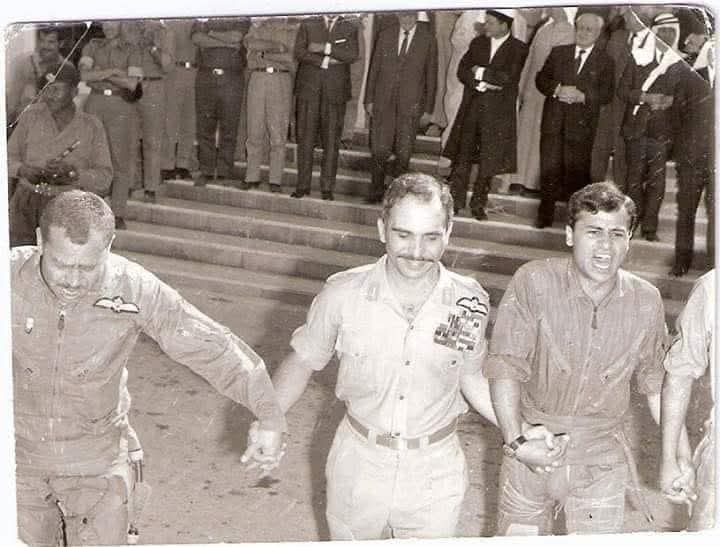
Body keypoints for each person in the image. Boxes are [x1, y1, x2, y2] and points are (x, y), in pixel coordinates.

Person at [271, 173, 556, 539]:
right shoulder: (342, 294)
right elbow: (303, 360)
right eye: (403, 235)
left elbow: (471, 376)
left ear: (448, 233)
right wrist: (269, 419)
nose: (416, 252)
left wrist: (520, 433)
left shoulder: (468, 302)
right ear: (382, 229)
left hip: (435, 471)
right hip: (358, 462)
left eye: (431, 237)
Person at [11, 190, 287, 546]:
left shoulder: (133, 289)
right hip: (18, 459)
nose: (74, 281)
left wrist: (270, 415)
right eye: (62, 265)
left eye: (88, 267)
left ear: (109, 247)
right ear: (39, 241)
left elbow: (213, 347)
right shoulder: (9, 276)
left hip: (96, 458)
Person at [485, 182, 668, 535]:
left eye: (617, 234)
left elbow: (656, 386)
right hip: (534, 450)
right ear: (570, 235)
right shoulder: (534, 281)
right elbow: (505, 366)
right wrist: (517, 441)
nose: (605, 246)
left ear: (629, 239)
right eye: (593, 232)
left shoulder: (646, 300)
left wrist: (679, 454)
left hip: (601, 461)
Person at [7, 62, 112, 247]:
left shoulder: (91, 126)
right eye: (46, 89)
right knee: (19, 257)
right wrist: (23, 170)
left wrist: (73, 174)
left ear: (74, 92)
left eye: (56, 89)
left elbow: (105, 178)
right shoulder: (31, 116)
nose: (49, 95)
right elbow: (7, 158)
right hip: (25, 205)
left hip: (68, 209)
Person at [442, 9, 528, 221]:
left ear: (504, 25)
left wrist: (479, 71)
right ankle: (456, 202)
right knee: (463, 157)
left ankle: (478, 204)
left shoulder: (518, 48)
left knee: (488, 161)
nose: (485, 26)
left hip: (498, 115)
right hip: (472, 108)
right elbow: (462, 70)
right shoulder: (478, 43)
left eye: (490, 23)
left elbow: (508, 77)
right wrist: (479, 83)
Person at [534, 12, 614, 228]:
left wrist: (583, 96)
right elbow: (541, 79)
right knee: (548, 170)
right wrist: (557, 89)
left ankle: (574, 222)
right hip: (553, 123)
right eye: (580, 28)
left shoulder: (605, 61)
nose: (583, 33)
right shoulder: (559, 52)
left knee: (577, 176)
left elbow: (607, 93)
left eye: (589, 29)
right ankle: (544, 217)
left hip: (581, 127)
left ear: (597, 33)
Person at [618, 12, 690, 242]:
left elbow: (687, 99)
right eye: (662, 31)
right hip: (636, 129)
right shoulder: (637, 57)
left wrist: (672, 101)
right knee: (633, 179)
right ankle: (632, 224)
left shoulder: (681, 64)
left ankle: (650, 228)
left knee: (657, 182)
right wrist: (645, 97)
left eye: (671, 31)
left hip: (662, 132)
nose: (667, 35)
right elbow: (622, 91)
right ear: (654, 32)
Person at [660, 269, 715, 531]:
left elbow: (679, 378)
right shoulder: (712, 287)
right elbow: (679, 376)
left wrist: (671, 459)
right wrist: (670, 459)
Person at [364, 12, 438, 203]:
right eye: (403, 16)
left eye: (411, 16)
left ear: (416, 16)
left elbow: (431, 76)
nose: (407, 20)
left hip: (410, 104)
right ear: (398, 15)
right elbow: (374, 69)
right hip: (383, 102)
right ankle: (376, 191)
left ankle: (397, 198)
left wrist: (428, 109)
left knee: (404, 153)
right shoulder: (385, 35)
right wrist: (369, 99)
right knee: (379, 150)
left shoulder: (427, 39)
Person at [79, 20, 143, 230]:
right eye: (105, 22)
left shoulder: (132, 49)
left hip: (120, 105)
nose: (108, 27)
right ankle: (89, 211)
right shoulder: (92, 46)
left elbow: (132, 84)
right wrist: (114, 71)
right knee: (90, 156)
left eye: (113, 22)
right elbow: (84, 75)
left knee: (119, 159)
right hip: (95, 102)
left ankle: (118, 212)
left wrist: (101, 72)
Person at [292, 14, 359, 201]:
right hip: (308, 90)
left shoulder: (350, 25)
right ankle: (302, 185)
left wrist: (324, 48)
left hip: (335, 92)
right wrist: (327, 61)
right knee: (305, 140)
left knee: (331, 142)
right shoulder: (308, 22)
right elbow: (299, 52)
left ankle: (327, 188)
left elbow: (352, 55)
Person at [590, 6, 658, 186]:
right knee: (598, 149)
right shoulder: (617, 36)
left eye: (628, 14)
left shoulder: (655, 42)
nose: (624, 17)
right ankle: (592, 191)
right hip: (607, 104)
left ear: (639, 17)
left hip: (631, 108)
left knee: (624, 156)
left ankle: (623, 195)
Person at [513, 7, 576, 195]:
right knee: (525, 134)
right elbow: (529, 59)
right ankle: (518, 178)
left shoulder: (569, 32)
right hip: (531, 90)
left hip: (548, 91)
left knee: (540, 137)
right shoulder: (544, 28)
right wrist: (522, 86)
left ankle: (533, 182)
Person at [671, 23, 715, 277]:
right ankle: (681, 262)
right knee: (686, 211)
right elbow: (677, 115)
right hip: (691, 158)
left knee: (716, 215)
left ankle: (714, 267)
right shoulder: (691, 77)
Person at [192, 17, 251, 186]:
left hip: (232, 76)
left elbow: (236, 37)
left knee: (229, 126)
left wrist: (210, 33)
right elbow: (197, 38)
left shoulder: (240, 14)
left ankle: (225, 171)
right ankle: (206, 170)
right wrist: (227, 43)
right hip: (206, 75)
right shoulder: (205, 12)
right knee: (205, 126)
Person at [241, 16, 297, 193]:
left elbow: (291, 57)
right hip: (257, 77)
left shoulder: (291, 29)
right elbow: (249, 43)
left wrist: (264, 53)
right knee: (254, 129)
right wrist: (277, 48)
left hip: (281, 78)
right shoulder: (259, 26)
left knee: (278, 132)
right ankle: (252, 176)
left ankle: (275, 179)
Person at [126, 20, 174, 203]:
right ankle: (128, 185)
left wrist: (152, 47)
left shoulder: (165, 33)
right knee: (129, 140)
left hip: (154, 86)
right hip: (130, 85)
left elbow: (167, 66)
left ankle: (151, 188)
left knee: (152, 141)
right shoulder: (128, 28)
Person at [6, 25, 66, 136]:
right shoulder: (25, 63)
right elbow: (13, 97)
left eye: (51, 42)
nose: (45, 46)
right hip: (24, 126)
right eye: (42, 41)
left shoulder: (66, 68)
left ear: (61, 44)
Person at [160, 18, 198, 181]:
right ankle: (167, 164)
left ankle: (183, 163)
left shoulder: (198, 23)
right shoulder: (171, 22)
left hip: (195, 71)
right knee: (171, 120)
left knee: (189, 121)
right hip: (175, 70)